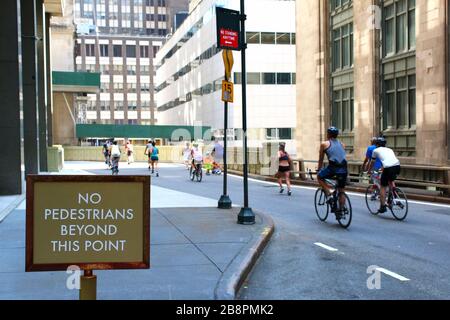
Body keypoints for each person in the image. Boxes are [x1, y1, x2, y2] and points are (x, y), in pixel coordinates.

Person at [317, 127, 348, 217]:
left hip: (333, 168)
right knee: (341, 189)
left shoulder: (324, 144)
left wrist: (319, 169)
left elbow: (321, 159)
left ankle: (329, 193)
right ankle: (341, 210)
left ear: (328, 134)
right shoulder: (342, 144)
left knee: (320, 177)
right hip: (344, 169)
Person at [368, 137, 401, 214]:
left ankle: (382, 207)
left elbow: (372, 162)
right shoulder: (390, 149)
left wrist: (369, 170)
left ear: (377, 144)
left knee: (383, 186)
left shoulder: (375, 150)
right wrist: (383, 168)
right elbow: (389, 160)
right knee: (390, 180)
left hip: (388, 168)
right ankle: (393, 194)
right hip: (397, 166)